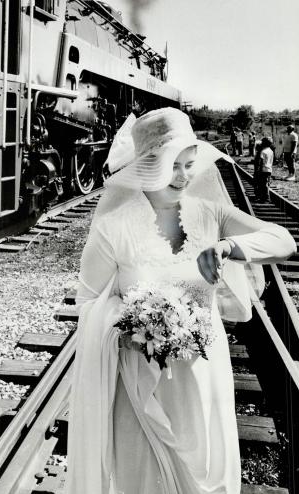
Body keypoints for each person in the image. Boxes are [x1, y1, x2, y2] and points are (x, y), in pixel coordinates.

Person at [66, 108, 295, 494]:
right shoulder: (113, 227)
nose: (184, 177)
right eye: (174, 165)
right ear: (147, 163)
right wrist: (138, 319)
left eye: (190, 165)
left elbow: (284, 241)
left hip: (202, 377)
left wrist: (230, 246)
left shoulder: (211, 214)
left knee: (204, 475)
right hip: (139, 381)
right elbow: (88, 302)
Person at [255, 136, 274, 202]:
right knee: (266, 183)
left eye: (262, 142)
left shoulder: (263, 151)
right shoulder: (271, 151)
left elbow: (261, 162)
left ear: (265, 143)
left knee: (262, 184)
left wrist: (258, 171)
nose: (261, 143)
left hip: (263, 170)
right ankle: (265, 197)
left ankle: (265, 198)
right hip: (269, 169)